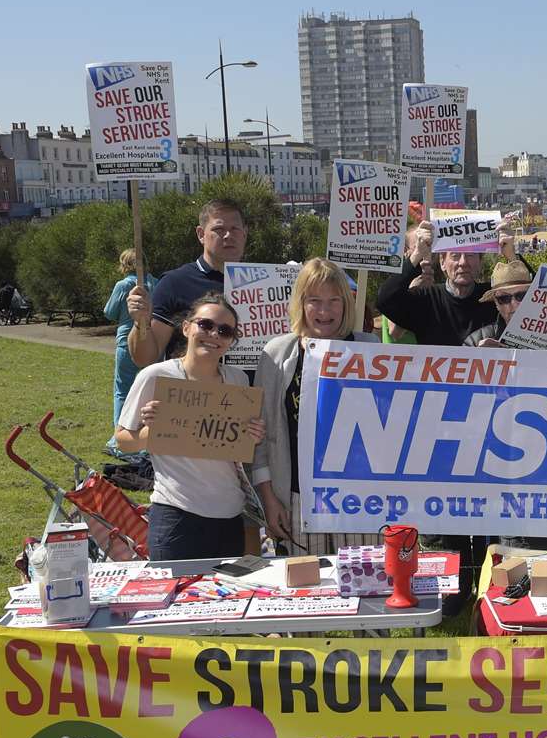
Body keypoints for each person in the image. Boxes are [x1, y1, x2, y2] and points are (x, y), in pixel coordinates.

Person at [115, 293, 265, 560]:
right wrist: (154, 431)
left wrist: (252, 435)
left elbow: (237, 445)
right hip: (176, 517)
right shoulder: (156, 376)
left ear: (232, 340)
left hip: (230, 517)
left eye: (225, 330)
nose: (214, 334)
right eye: (205, 325)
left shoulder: (239, 380)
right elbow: (123, 440)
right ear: (186, 328)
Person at [252, 258, 379, 554]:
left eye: (334, 300)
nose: (324, 311)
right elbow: (261, 439)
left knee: (367, 589)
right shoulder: (276, 355)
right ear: (301, 303)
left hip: (361, 499)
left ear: (346, 303)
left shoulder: (371, 348)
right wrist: (270, 500)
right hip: (298, 499)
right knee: (308, 587)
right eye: (315, 301)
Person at [126, 199, 247, 367]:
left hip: (250, 391)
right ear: (201, 234)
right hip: (191, 391)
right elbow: (144, 358)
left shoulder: (266, 283)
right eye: (219, 229)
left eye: (235, 229)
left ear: (244, 233)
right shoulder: (174, 283)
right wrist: (140, 322)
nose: (228, 235)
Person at [376, 220, 520, 346]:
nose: (463, 263)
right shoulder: (427, 300)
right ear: (442, 262)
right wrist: (417, 255)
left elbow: (534, 305)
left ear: (480, 262)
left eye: (470, 255)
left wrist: (512, 256)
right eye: (455, 255)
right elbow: (386, 300)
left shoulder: (496, 299)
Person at [103, 249, 142, 457]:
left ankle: (118, 439)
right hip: (152, 341)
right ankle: (143, 440)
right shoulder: (155, 282)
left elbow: (109, 312)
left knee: (122, 390)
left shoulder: (124, 285)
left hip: (127, 340)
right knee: (147, 392)